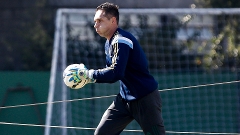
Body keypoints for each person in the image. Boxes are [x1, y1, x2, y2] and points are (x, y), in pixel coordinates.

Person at [71, 2, 165, 135]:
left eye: (100, 21)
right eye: (95, 21)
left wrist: (89, 75)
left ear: (113, 20)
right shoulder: (109, 42)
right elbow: (111, 72)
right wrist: (89, 76)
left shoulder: (121, 40)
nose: (95, 25)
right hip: (124, 100)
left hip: (146, 99)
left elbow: (116, 73)